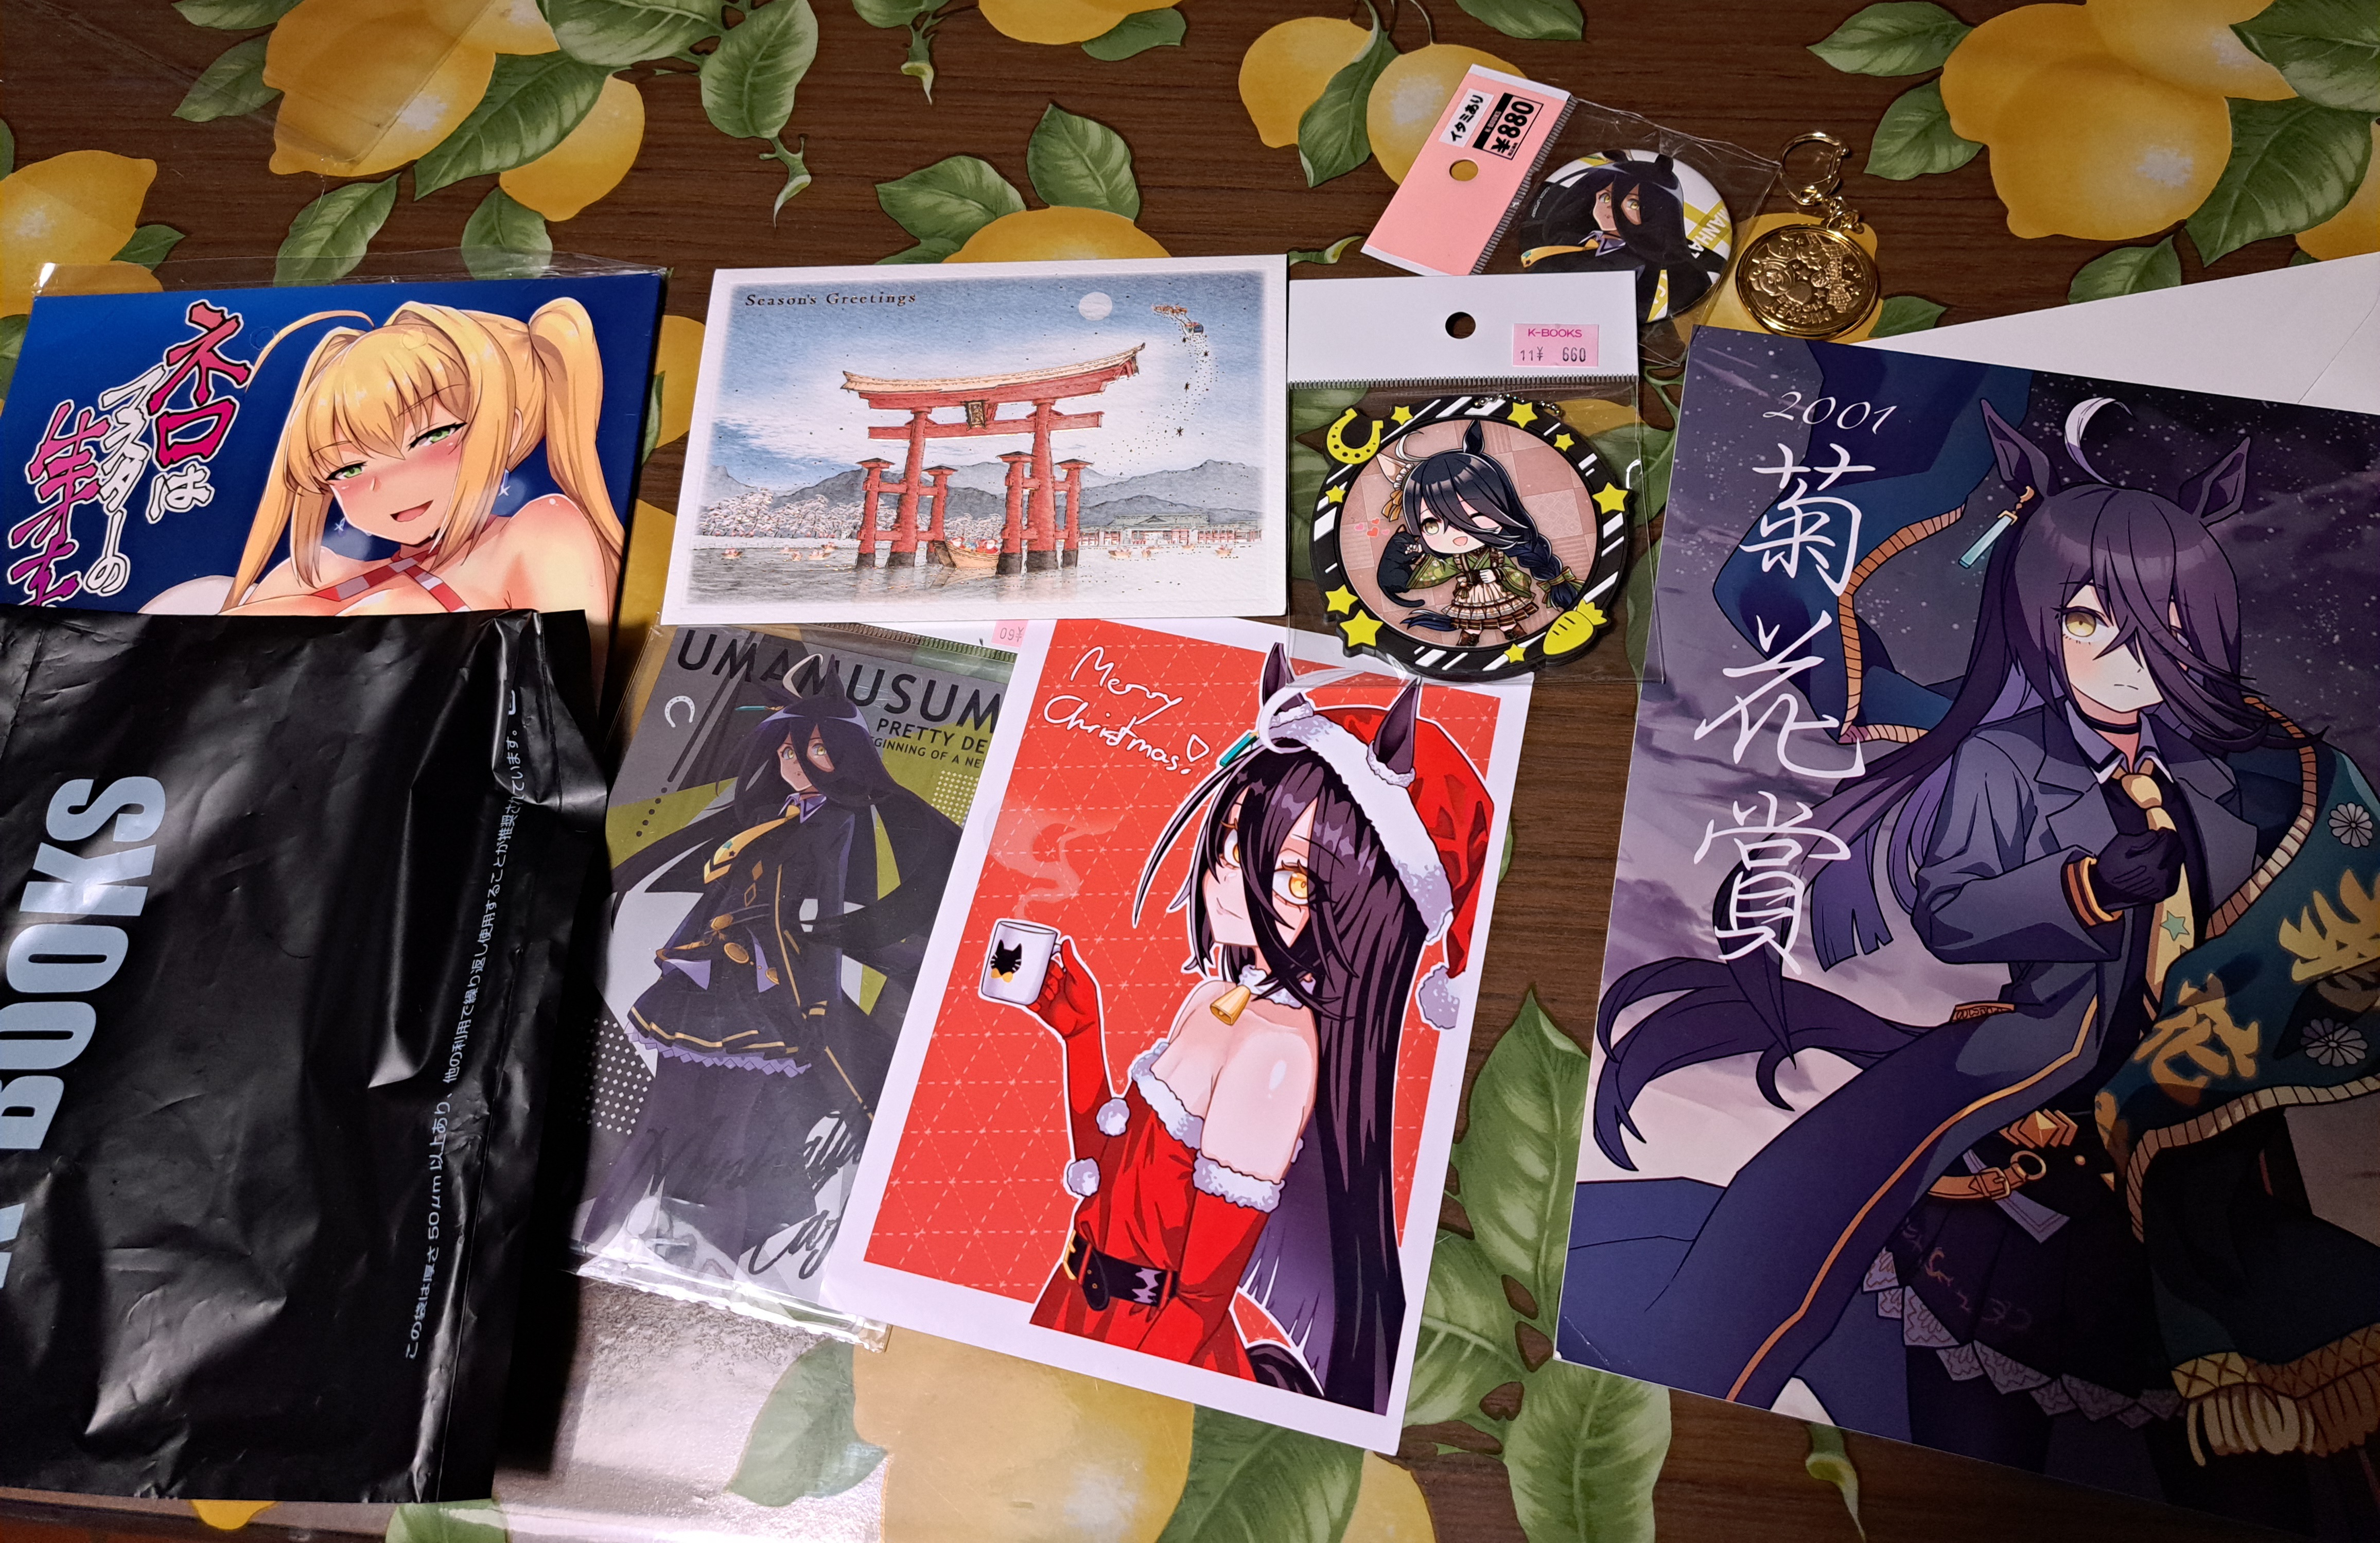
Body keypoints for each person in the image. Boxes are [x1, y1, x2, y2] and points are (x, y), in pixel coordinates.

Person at [1577, 400, 2380, 1528]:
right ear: (2040, 618)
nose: (2125, 655)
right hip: (2035, 1081)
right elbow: (1951, 910)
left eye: (2160, 620)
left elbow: (2324, 902)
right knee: (1923, 1364)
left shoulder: (2249, 772)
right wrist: (2085, 885)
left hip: (2203, 1109)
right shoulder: (2003, 759)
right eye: (2089, 619)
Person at [1002, 644, 1493, 1413]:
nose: (1232, 880)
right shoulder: (1213, 998)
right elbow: (1106, 1168)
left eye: (1292, 877)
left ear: (1359, 912)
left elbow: (1199, 1301)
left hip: (1148, 1348)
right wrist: (1080, 1031)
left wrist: (1114, 1398)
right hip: (1077, 1307)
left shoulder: (1278, 1053)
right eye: (1232, 844)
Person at [583, 659, 960, 1280]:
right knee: (660, 1121)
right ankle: (599, 1244)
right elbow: (722, 896)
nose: (796, 763)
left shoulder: (836, 822)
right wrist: (681, 951)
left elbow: (826, 916)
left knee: (725, 1139)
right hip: (707, 980)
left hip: (766, 993)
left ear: (846, 752)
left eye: (815, 749)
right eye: (788, 750)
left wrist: (816, 1008)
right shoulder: (777, 816)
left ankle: (703, 1270)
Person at [205, 298, 623, 619]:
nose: (385, 483)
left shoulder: (539, 535)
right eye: (347, 468)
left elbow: (570, 693)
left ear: (506, 429)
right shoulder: (308, 575)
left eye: (431, 436)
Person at [1375, 422, 1584, 647]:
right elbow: (1439, 571)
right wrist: (1398, 576)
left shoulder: (1497, 553)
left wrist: (1498, 575)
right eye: (1432, 525)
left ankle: (1514, 635)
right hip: (1470, 595)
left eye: (1475, 516)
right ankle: (1470, 638)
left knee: (1507, 620)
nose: (1459, 536)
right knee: (1471, 622)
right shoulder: (1457, 560)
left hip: (1498, 591)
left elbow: (1516, 573)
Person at [1518, 154, 1720, 320]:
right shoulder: (1563, 238)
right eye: (1606, 197)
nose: (1611, 208)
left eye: (1633, 203)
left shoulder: (1655, 269)